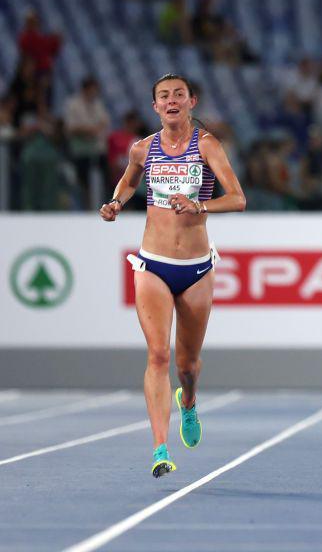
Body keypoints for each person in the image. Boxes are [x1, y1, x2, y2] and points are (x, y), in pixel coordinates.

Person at [99, 74, 245, 478]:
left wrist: (200, 206)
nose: (171, 100)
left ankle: (190, 401)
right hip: (153, 264)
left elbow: (238, 198)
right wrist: (115, 203)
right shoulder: (143, 148)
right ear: (155, 107)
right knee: (158, 355)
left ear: (192, 101)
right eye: (164, 96)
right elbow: (129, 182)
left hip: (196, 269)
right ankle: (160, 449)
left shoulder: (208, 145)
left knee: (188, 365)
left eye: (179, 94)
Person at [64, 77, 111, 208]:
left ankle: (106, 203)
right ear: (85, 89)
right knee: (83, 182)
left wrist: (93, 130)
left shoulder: (98, 104)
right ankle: (85, 206)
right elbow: (70, 127)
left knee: (106, 176)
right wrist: (87, 130)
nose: (94, 93)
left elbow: (104, 122)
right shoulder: (73, 104)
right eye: (92, 90)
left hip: (97, 148)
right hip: (80, 150)